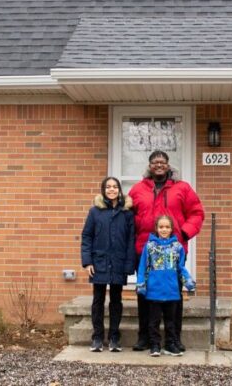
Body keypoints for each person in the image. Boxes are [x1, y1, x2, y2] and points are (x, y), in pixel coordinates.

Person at [129, 150, 205, 353]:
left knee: (174, 295)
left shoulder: (183, 188)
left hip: (174, 250)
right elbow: (130, 218)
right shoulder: (137, 190)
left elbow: (196, 213)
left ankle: (174, 339)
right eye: (155, 162)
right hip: (146, 250)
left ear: (169, 165)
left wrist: (184, 234)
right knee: (144, 293)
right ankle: (145, 336)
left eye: (162, 162)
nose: (159, 165)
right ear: (149, 166)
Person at [80, 176, 135, 352]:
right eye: (108, 187)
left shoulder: (127, 213)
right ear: (103, 190)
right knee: (98, 300)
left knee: (116, 300)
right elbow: (87, 237)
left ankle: (114, 338)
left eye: (115, 187)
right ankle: (97, 338)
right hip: (99, 262)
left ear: (119, 190)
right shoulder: (95, 211)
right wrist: (87, 261)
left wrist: (129, 264)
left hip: (118, 262)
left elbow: (130, 240)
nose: (111, 190)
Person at [136, 214, 195, 357]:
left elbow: (181, 267)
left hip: (172, 291)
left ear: (171, 229)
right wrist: (141, 283)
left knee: (170, 321)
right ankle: (155, 345)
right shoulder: (149, 246)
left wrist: (188, 280)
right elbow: (143, 265)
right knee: (153, 321)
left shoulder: (177, 247)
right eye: (161, 227)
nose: (164, 229)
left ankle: (170, 345)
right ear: (156, 228)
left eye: (167, 227)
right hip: (154, 291)